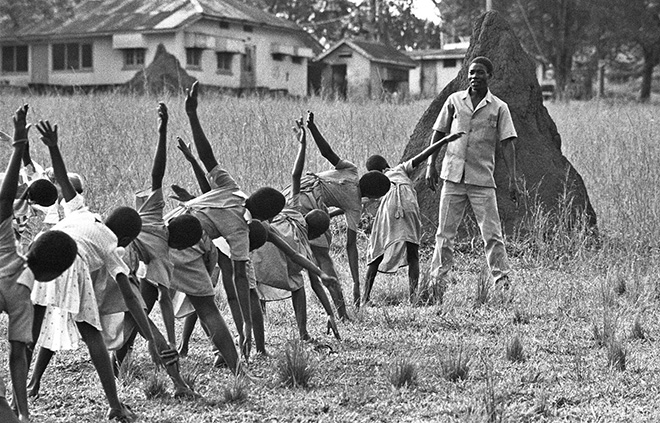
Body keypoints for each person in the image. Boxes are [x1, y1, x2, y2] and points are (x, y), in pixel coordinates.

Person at [27, 119, 171, 422]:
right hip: (70, 262)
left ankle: (26, 388)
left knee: (33, 328)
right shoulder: (112, 247)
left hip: (43, 251)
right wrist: (148, 337)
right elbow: (132, 299)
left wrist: (54, 147)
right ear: (129, 239)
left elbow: (63, 181)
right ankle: (115, 405)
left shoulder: (81, 210)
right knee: (92, 335)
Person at [180, 81, 285, 360]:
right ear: (267, 217)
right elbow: (240, 278)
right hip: (188, 240)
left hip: (174, 222)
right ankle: (227, 355)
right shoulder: (241, 230)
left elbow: (207, 155)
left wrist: (192, 114)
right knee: (204, 303)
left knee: (155, 293)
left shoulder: (232, 188)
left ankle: (212, 350)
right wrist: (246, 326)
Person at [0, 105, 77, 423]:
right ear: (54, 275)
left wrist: (18, 145)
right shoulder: (24, 297)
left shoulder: (7, 244)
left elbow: (6, 198)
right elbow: (17, 356)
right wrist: (24, 413)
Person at [425, 56, 520, 301]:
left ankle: (502, 286)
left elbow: (508, 142)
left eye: (480, 73)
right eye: (471, 73)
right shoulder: (454, 101)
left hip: (482, 179)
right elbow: (438, 133)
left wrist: (512, 178)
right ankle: (437, 285)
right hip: (452, 177)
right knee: (444, 234)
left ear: (490, 76)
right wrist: (430, 165)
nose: (474, 77)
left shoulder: (499, 107)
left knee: (492, 235)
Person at [285, 111, 390, 317]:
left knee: (285, 240)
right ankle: (341, 311)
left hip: (296, 192)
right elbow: (351, 247)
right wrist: (357, 283)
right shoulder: (355, 208)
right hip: (311, 203)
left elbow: (326, 152)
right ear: (375, 197)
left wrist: (313, 127)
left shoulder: (351, 170)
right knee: (323, 256)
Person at [251, 117, 341, 344]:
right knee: (299, 286)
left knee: (256, 280)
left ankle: (258, 321)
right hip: (279, 261)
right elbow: (316, 284)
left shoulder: (293, 209)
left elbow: (295, 175)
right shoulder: (306, 247)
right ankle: (303, 332)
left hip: (258, 253)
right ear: (314, 235)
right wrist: (330, 313)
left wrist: (302, 145)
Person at [362, 131, 464, 306]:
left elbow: (361, 199)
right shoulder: (400, 169)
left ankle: (364, 298)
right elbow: (422, 156)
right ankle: (413, 298)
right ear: (387, 164)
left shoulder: (379, 183)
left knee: (377, 252)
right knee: (413, 254)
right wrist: (445, 140)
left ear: (373, 174)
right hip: (408, 205)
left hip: (389, 207)